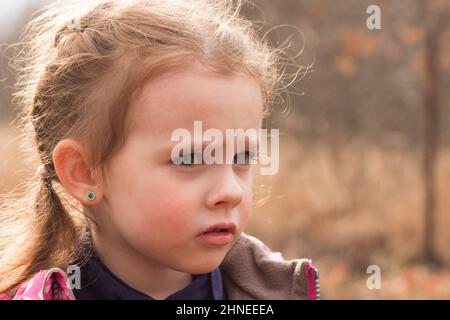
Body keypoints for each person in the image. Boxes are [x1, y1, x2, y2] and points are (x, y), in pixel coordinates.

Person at [0, 0, 319, 300]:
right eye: (190, 158)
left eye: (242, 158)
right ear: (84, 172)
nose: (231, 192)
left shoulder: (273, 290)